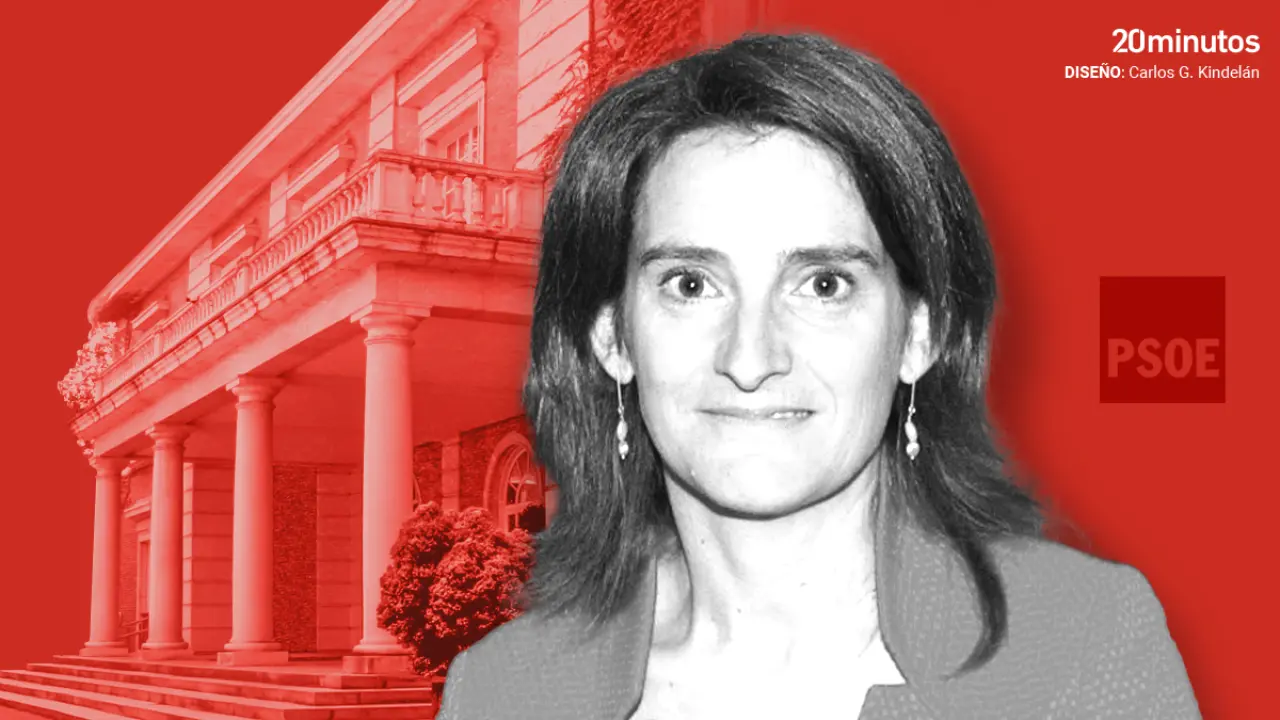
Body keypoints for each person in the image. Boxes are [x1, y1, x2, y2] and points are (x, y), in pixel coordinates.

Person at [438, 32, 1201, 719]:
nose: (750, 358)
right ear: (613, 337)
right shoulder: (501, 694)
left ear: (919, 334)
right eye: (691, 285)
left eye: (824, 284)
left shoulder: (1078, 648)